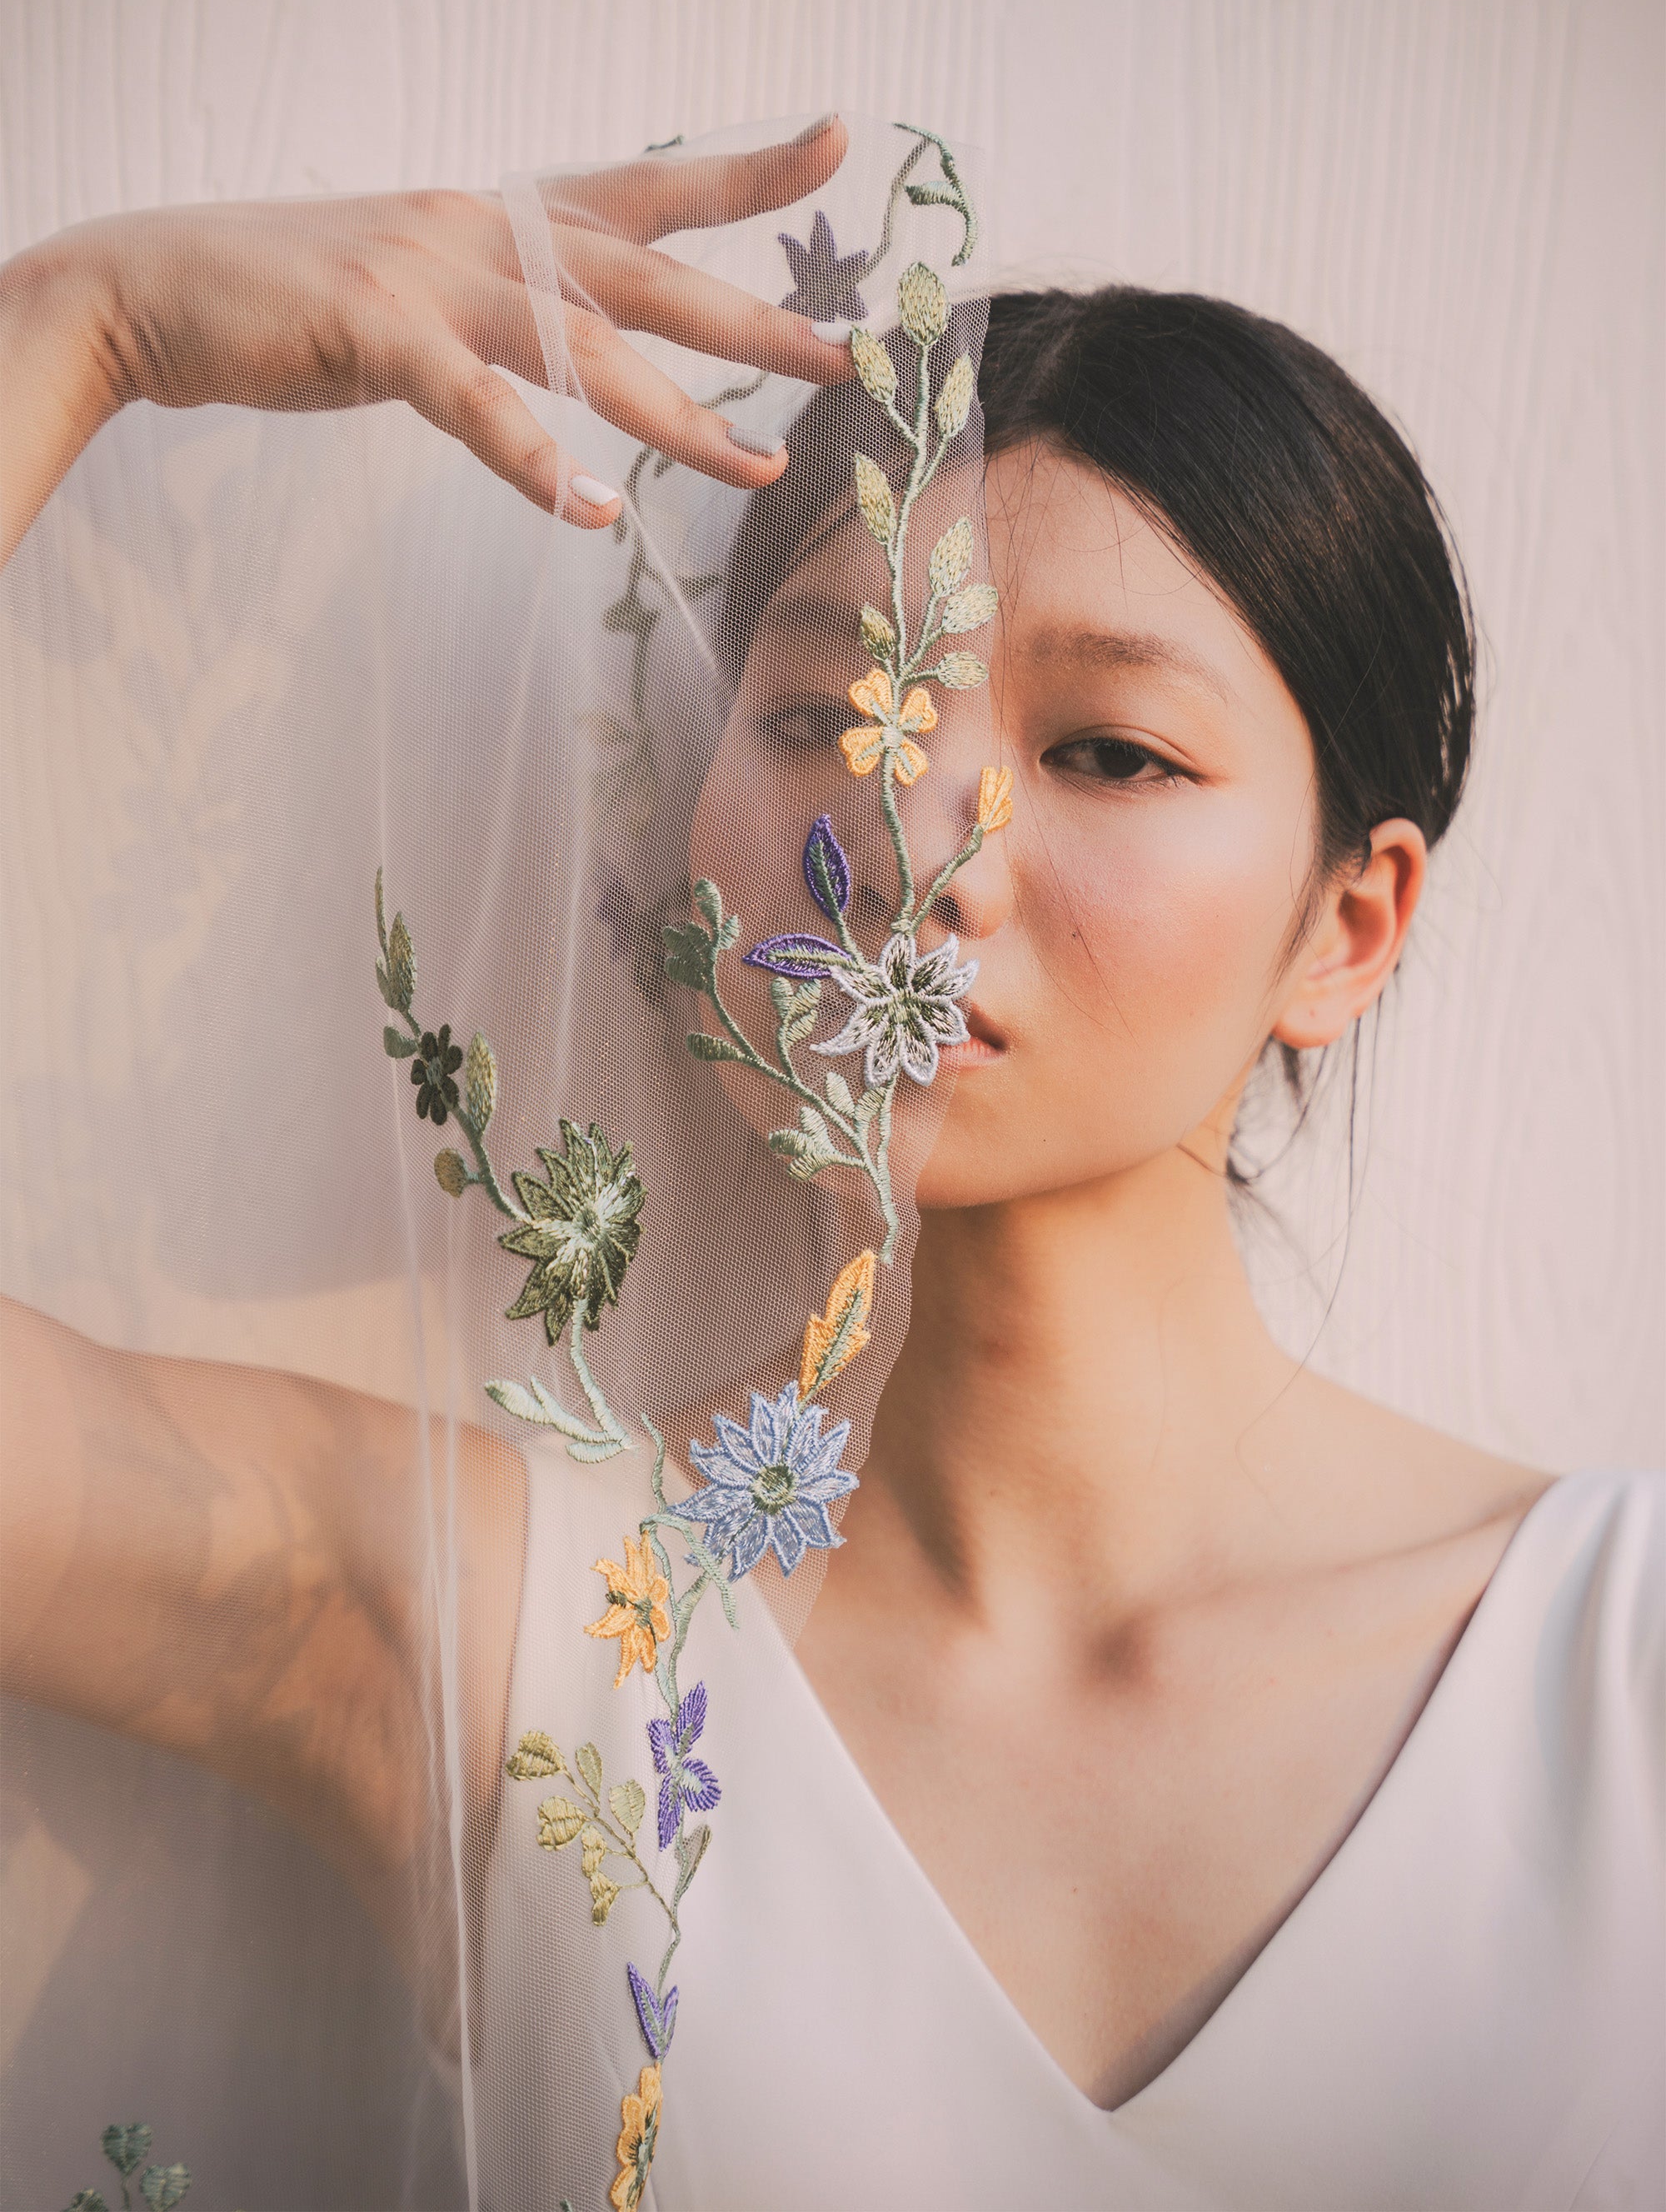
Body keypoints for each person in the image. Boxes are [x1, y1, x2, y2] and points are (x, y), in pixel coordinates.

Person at [0, 116, 1658, 2212]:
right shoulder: (521, 1635)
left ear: (1348, 925)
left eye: (1102, 751)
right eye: (831, 715)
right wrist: (82, 322)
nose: (923, 839)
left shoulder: (1618, 1667)